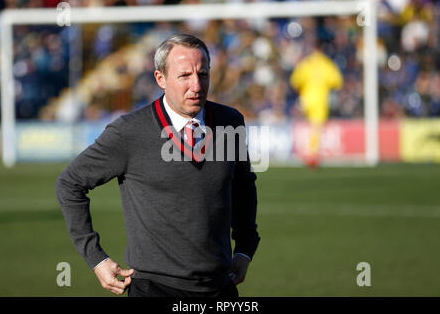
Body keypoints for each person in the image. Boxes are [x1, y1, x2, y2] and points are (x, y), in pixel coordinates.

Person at [56, 34, 260, 297]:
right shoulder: (129, 132)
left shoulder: (230, 122)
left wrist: (245, 248)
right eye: (185, 75)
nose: (196, 85)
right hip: (154, 288)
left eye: (203, 74)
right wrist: (96, 258)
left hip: (220, 287)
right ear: (160, 79)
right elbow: (70, 183)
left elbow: (244, 186)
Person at [290, 42, 343, 168]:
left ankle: (297, 149)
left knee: (305, 123)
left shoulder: (306, 63)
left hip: (305, 99)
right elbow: (337, 81)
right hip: (320, 99)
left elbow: (295, 80)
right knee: (316, 126)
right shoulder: (327, 64)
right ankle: (313, 154)